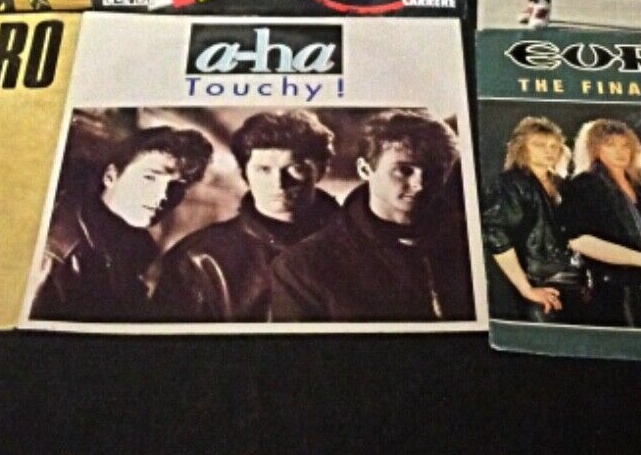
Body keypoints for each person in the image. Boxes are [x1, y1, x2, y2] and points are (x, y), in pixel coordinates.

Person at [270, 111, 474, 322]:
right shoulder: (302, 267)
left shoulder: (470, 241)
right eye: (404, 170)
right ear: (365, 169)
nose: (419, 184)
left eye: (435, 170)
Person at [154, 111, 340, 321]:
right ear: (245, 174)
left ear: (320, 170)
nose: (279, 183)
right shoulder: (197, 258)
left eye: (295, 168)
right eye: (264, 169)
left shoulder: (358, 244)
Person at [27, 126, 214, 322]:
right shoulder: (58, 255)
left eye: (177, 187)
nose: (162, 196)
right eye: (149, 178)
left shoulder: (131, 248)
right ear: (111, 176)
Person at [558, 119, 641, 328]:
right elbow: (579, 240)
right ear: (595, 149)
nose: (620, 151)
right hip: (613, 294)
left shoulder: (639, 187)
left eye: (625, 145)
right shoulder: (585, 184)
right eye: (610, 145)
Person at [479, 116, 592, 323]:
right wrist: (526, 288)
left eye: (554, 145)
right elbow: (496, 235)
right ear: (522, 148)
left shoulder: (562, 185)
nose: (549, 150)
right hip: (541, 284)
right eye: (539, 145)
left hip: (577, 284)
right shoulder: (511, 183)